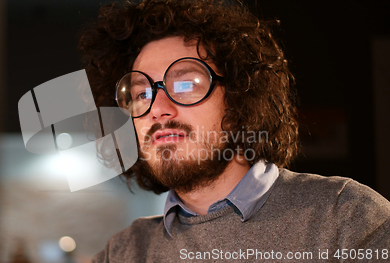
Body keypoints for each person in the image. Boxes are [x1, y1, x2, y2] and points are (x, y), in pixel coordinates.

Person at [78, 0, 390, 262]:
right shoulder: (123, 253)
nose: (158, 108)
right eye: (141, 94)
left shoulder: (347, 219)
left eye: (185, 84)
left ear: (240, 96)